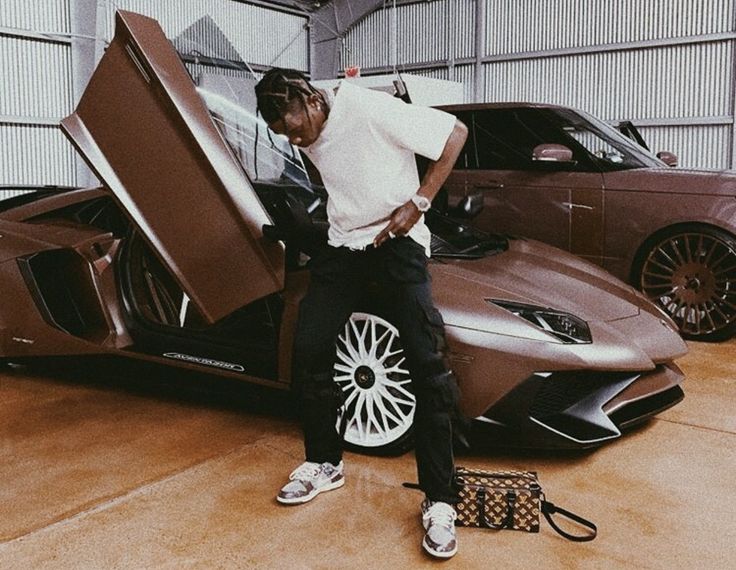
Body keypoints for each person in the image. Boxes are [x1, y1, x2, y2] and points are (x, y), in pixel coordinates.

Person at [254, 68, 468, 559]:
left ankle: (439, 499)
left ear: (310, 100)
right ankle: (325, 463)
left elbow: (454, 133)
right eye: (284, 135)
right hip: (345, 244)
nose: (295, 139)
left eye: (295, 128)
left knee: (426, 363)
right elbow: (329, 168)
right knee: (309, 345)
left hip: (398, 242)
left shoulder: (369, 108)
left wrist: (418, 202)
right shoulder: (301, 129)